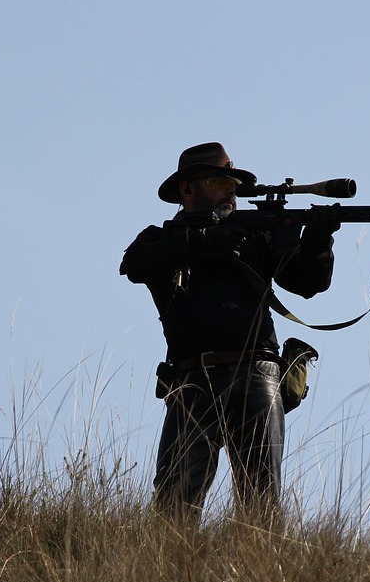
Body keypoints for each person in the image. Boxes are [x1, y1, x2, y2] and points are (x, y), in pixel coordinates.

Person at [120, 142, 339, 522]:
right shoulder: (163, 239)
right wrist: (204, 243)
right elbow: (135, 265)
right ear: (187, 189)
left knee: (261, 499)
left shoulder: (252, 236)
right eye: (220, 181)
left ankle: (263, 575)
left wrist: (319, 242)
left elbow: (308, 282)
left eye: (233, 182)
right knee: (175, 500)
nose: (231, 190)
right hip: (192, 378)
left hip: (258, 374)